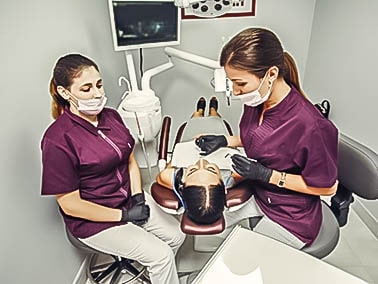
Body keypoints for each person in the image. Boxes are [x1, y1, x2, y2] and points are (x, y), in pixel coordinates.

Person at [40, 53, 185, 284]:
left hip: (129, 200)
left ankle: (158, 277)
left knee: (177, 235)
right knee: (161, 256)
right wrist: (124, 216)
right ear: (65, 92)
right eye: (86, 88)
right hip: (94, 219)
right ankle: (161, 270)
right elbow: (70, 204)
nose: (97, 94)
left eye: (99, 84)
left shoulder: (111, 116)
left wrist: (137, 196)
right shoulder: (58, 139)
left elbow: (129, 160)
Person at [196, 27, 339, 249]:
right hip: (260, 194)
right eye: (231, 82)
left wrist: (268, 175)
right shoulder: (257, 102)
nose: (234, 91)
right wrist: (226, 140)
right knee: (206, 225)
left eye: (240, 83)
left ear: (271, 74)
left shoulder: (311, 126)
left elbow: (327, 188)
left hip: (290, 216)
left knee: (243, 255)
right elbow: (268, 140)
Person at [157, 97, 237, 225]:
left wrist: (176, 161)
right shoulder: (230, 179)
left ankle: (199, 111)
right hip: (219, 141)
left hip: (191, 141)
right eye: (211, 168)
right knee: (216, 120)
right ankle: (213, 110)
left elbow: (164, 175)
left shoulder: (179, 180)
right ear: (223, 186)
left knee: (194, 120)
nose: (201, 162)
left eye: (192, 170)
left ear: (182, 186)